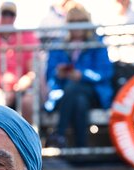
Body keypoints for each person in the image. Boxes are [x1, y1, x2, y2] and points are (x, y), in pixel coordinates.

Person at [45, 3, 114, 148]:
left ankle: (60, 134)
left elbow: (105, 73)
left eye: (80, 22)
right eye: (72, 22)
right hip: (66, 95)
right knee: (79, 101)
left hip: (94, 92)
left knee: (74, 87)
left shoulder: (97, 43)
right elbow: (50, 75)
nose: (76, 26)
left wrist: (82, 75)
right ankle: (80, 150)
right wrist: (59, 74)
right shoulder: (59, 45)